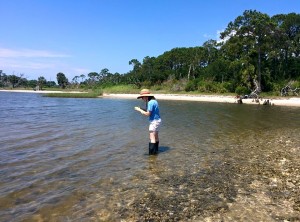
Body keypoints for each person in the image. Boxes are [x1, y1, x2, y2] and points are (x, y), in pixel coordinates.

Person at [134, 89, 162, 155]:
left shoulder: (150, 102)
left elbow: (148, 114)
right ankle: (156, 151)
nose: (142, 99)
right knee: (156, 137)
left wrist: (139, 110)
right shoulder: (154, 101)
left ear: (146, 96)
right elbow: (150, 111)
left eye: (142, 97)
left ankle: (152, 155)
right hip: (158, 120)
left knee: (152, 138)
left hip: (154, 121)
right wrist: (141, 108)